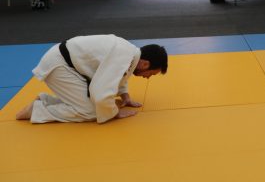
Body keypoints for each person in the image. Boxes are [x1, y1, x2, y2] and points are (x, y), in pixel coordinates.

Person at [15, 34, 167, 124]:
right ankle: (38, 110)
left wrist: (125, 97)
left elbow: (118, 76)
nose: (147, 77)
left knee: (99, 107)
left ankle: (46, 100)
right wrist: (115, 113)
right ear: (145, 64)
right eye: (151, 73)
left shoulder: (128, 54)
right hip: (60, 66)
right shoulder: (124, 56)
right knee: (91, 112)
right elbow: (99, 94)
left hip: (67, 64)